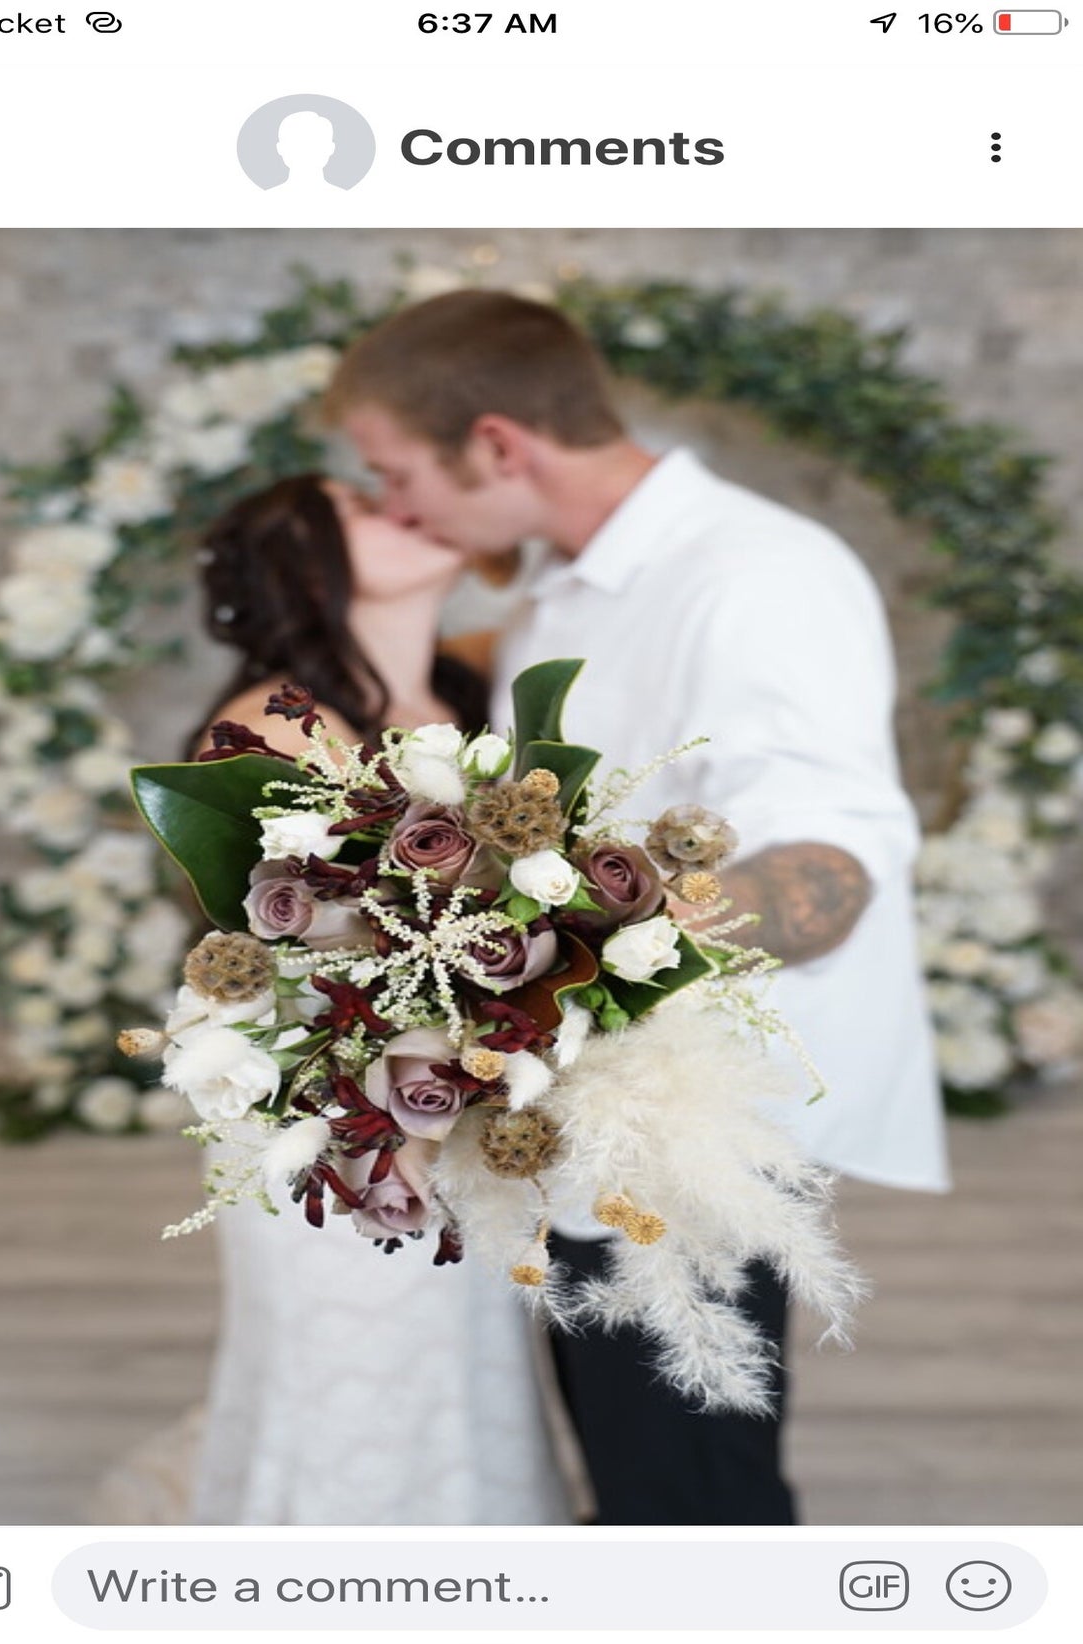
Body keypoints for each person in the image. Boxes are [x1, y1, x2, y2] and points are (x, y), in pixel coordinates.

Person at [324, 288, 952, 1525]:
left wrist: (555, 959)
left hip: (697, 1111)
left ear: (498, 445)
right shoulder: (566, 588)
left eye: (397, 474)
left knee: (692, 1494)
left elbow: (831, 856)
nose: (396, 506)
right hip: (587, 1094)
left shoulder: (756, 573)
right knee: (629, 1460)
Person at [180, 474, 569, 1525]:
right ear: (306, 571)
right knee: (359, 1379)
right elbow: (293, 963)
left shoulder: (467, 695)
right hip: (336, 1113)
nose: (401, 504)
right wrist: (392, 1116)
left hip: (464, 1105)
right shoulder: (271, 724)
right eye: (358, 508)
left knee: (465, 1377)